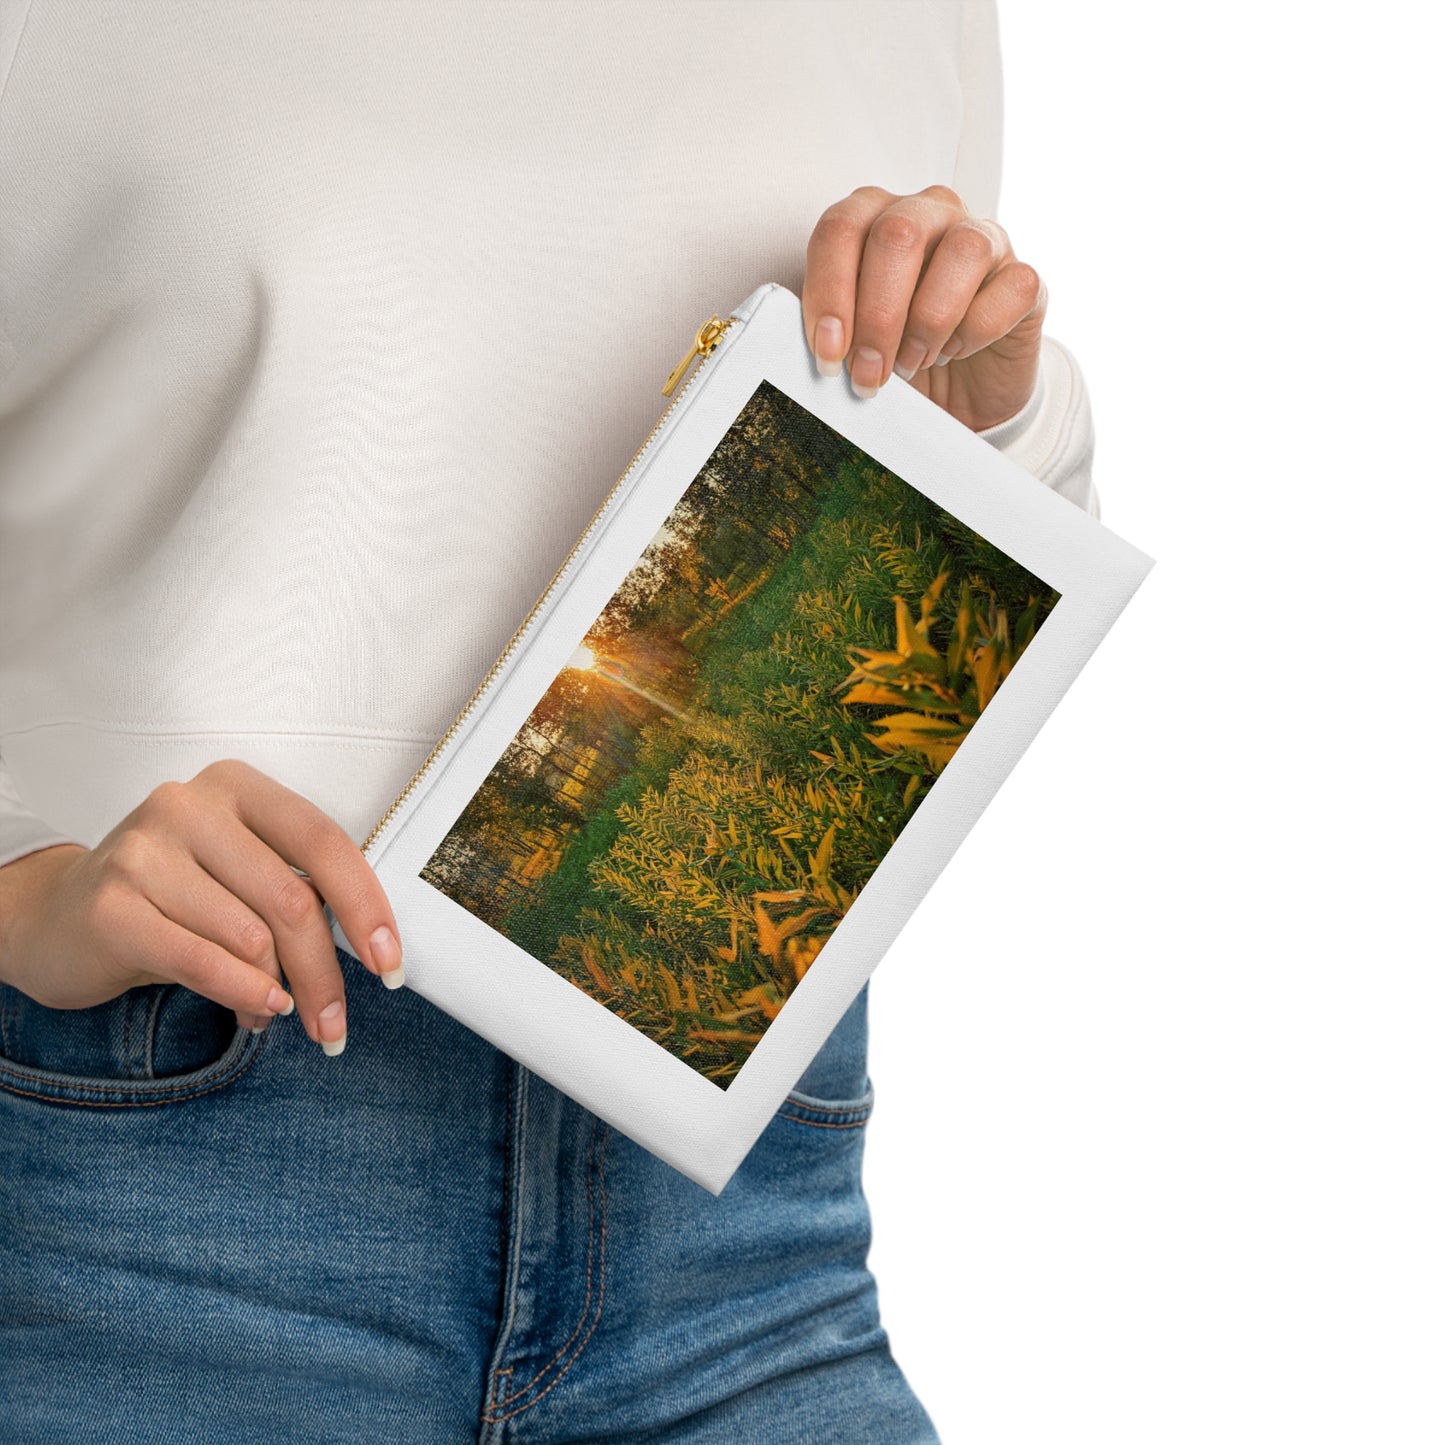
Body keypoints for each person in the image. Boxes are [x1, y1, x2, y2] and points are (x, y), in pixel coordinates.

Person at [0, 2, 1098, 1439]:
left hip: (746, 1224)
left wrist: (988, 427)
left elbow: (929, 587)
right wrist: (18, 884)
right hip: (173, 1202)